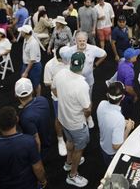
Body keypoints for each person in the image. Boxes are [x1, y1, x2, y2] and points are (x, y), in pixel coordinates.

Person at [52, 52, 91, 187]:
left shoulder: (60, 74)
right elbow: (87, 108)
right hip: (76, 123)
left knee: (69, 140)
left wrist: (64, 99)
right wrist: (84, 116)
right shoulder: (82, 84)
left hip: (63, 118)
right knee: (79, 149)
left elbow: (53, 90)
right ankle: (73, 175)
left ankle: (68, 163)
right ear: (83, 64)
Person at [0, 106, 47, 189]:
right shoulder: (29, 141)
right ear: (17, 119)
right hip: (29, 185)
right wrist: (42, 180)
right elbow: (37, 167)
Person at [97, 82, 135, 166]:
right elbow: (116, 146)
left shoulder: (101, 104)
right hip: (112, 153)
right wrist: (128, 128)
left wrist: (123, 123)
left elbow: (108, 121)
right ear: (123, 97)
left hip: (103, 145)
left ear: (108, 95)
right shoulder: (118, 118)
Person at [15, 78, 51, 160]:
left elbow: (36, 141)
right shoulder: (43, 100)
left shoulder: (24, 117)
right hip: (47, 138)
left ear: (16, 95)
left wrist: (36, 160)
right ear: (32, 91)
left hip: (41, 151)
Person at [65, 31, 107, 96]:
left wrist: (96, 64)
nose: (82, 42)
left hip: (88, 79)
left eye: (83, 41)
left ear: (86, 40)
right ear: (75, 41)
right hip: (75, 80)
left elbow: (104, 54)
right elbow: (65, 60)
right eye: (80, 41)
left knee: (88, 95)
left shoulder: (93, 49)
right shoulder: (71, 50)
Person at [116, 47, 140, 118]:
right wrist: (135, 95)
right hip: (125, 94)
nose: (137, 56)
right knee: (127, 110)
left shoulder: (121, 62)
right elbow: (128, 89)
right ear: (131, 58)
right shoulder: (129, 72)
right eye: (135, 55)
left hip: (119, 88)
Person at [18, 25, 42, 96]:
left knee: (36, 84)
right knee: (25, 82)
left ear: (25, 33)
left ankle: (38, 99)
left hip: (34, 66)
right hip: (26, 64)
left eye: (21, 31)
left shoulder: (33, 43)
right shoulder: (26, 39)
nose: (20, 32)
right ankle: (30, 99)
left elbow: (32, 60)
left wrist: (26, 72)